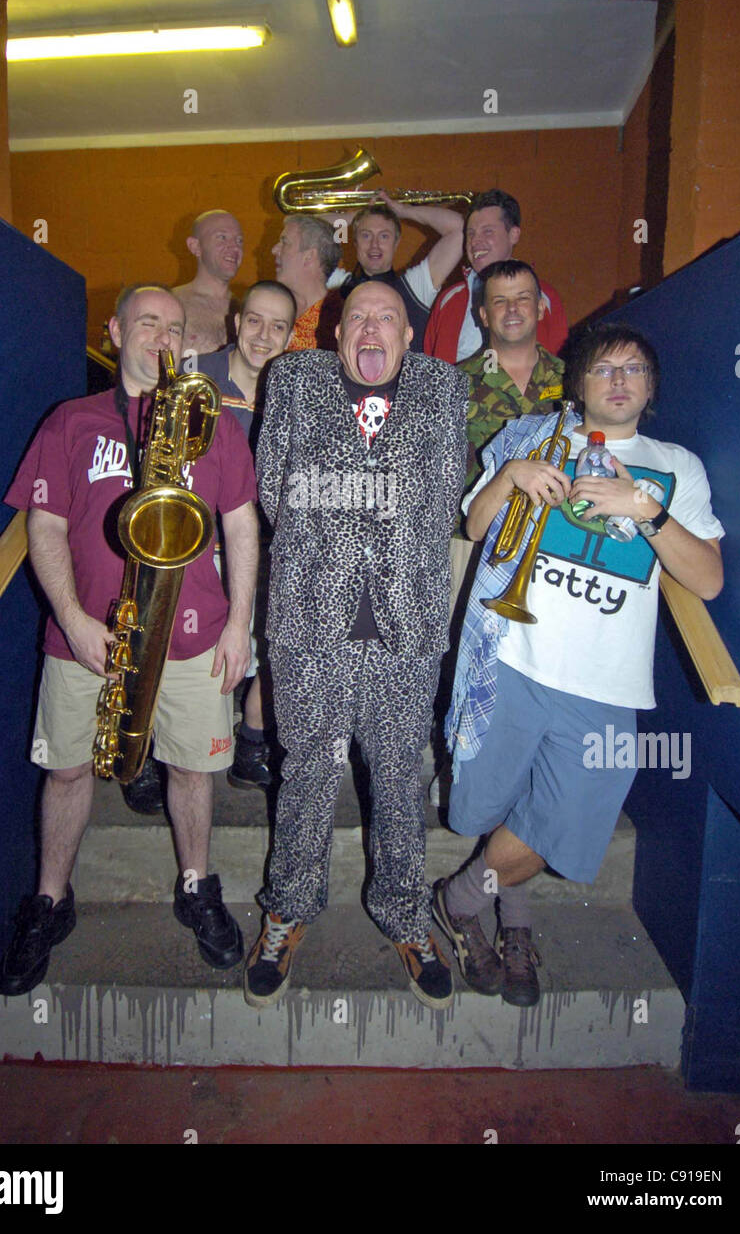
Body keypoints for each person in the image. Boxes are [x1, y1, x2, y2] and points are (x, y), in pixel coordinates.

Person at [436, 321, 723, 1007]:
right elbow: (475, 526)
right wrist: (509, 474)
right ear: (580, 383)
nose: (618, 380)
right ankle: (516, 920)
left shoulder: (677, 466)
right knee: (492, 807)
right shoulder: (537, 436)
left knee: (559, 823)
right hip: (510, 658)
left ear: (650, 389)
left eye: (633, 371)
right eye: (604, 369)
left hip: (606, 684)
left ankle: (458, 898)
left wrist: (645, 511)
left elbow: (708, 580)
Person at [0, 285, 259, 995]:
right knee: (69, 771)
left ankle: (196, 884)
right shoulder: (72, 420)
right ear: (113, 332)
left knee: (192, 770)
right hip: (88, 636)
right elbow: (43, 525)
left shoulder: (214, 424)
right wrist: (74, 619)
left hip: (194, 633)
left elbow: (239, 524)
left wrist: (240, 622)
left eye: (175, 328)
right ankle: (51, 899)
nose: (162, 338)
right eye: (148, 323)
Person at [244, 281, 469, 1010]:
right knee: (307, 766)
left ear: (409, 336)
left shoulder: (444, 388)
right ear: (338, 331)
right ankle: (288, 909)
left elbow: (439, 497)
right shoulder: (294, 378)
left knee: (402, 775)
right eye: (359, 317)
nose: (372, 329)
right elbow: (273, 489)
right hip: (310, 613)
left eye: (389, 319)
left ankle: (404, 911)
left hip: (406, 617)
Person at [191, 280, 296, 790]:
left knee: (279, 645)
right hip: (197, 550)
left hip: (268, 548)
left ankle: (251, 743)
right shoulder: (198, 380)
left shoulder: (299, 391)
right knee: (198, 660)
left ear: (291, 335)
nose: (263, 335)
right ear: (237, 322)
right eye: (254, 320)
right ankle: (158, 756)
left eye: (278, 326)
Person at [451, 258, 564, 612]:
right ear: (482, 315)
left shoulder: (575, 380)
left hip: (553, 546)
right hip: (469, 546)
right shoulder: (451, 384)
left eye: (523, 298)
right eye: (500, 301)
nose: (512, 309)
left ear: (541, 308)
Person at [424, 190, 568, 362]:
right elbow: (430, 368)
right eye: (471, 234)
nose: (475, 241)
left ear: (513, 235)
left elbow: (561, 365)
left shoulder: (544, 297)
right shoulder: (448, 301)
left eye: (488, 231)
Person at [329, 194, 463, 352]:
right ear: (355, 242)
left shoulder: (416, 287)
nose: (375, 245)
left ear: (396, 242)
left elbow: (460, 229)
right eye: (366, 235)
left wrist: (405, 211)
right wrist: (349, 218)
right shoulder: (337, 284)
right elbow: (296, 232)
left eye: (384, 236)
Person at [173, 209, 244, 355]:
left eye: (239, 240)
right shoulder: (172, 304)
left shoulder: (248, 311)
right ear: (195, 246)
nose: (234, 247)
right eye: (222, 237)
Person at [271, 214, 341, 351]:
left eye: (285, 242)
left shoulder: (339, 319)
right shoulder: (270, 309)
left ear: (309, 257)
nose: (274, 250)